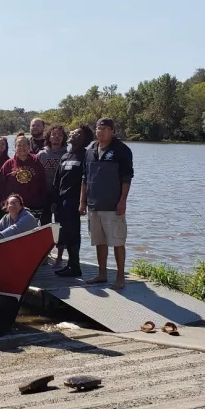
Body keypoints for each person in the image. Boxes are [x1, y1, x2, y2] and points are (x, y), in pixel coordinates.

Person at [79, 117, 134, 290]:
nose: (100, 132)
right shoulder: (90, 150)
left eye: (105, 129)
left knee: (118, 241)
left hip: (113, 205)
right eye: (98, 128)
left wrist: (122, 201)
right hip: (94, 205)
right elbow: (84, 178)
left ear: (112, 131)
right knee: (99, 240)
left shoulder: (122, 150)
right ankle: (102, 274)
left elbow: (127, 178)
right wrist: (82, 202)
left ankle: (120, 277)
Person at [54, 124, 94, 276]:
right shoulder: (65, 156)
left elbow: (87, 179)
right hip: (61, 201)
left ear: (83, 139)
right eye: (72, 132)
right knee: (64, 234)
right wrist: (54, 200)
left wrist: (83, 202)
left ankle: (75, 268)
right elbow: (57, 180)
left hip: (74, 202)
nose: (72, 134)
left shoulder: (86, 155)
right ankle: (69, 264)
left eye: (77, 134)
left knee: (73, 234)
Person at [0, 133, 46, 222]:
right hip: (13, 208)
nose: (22, 147)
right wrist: (3, 203)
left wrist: (42, 203)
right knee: (13, 232)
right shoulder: (8, 164)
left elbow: (43, 184)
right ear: (15, 148)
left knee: (30, 233)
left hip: (33, 208)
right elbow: (0, 186)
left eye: (24, 145)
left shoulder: (36, 163)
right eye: (19, 145)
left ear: (29, 147)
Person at [37, 125, 68, 226]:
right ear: (49, 137)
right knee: (44, 222)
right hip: (44, 193)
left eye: (60, 135)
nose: (57, 137)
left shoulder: (67, 155)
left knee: (61, 223)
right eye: (54, 134)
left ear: (63, 138)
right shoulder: (41, 154)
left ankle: (61, 241)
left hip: (60, 194)